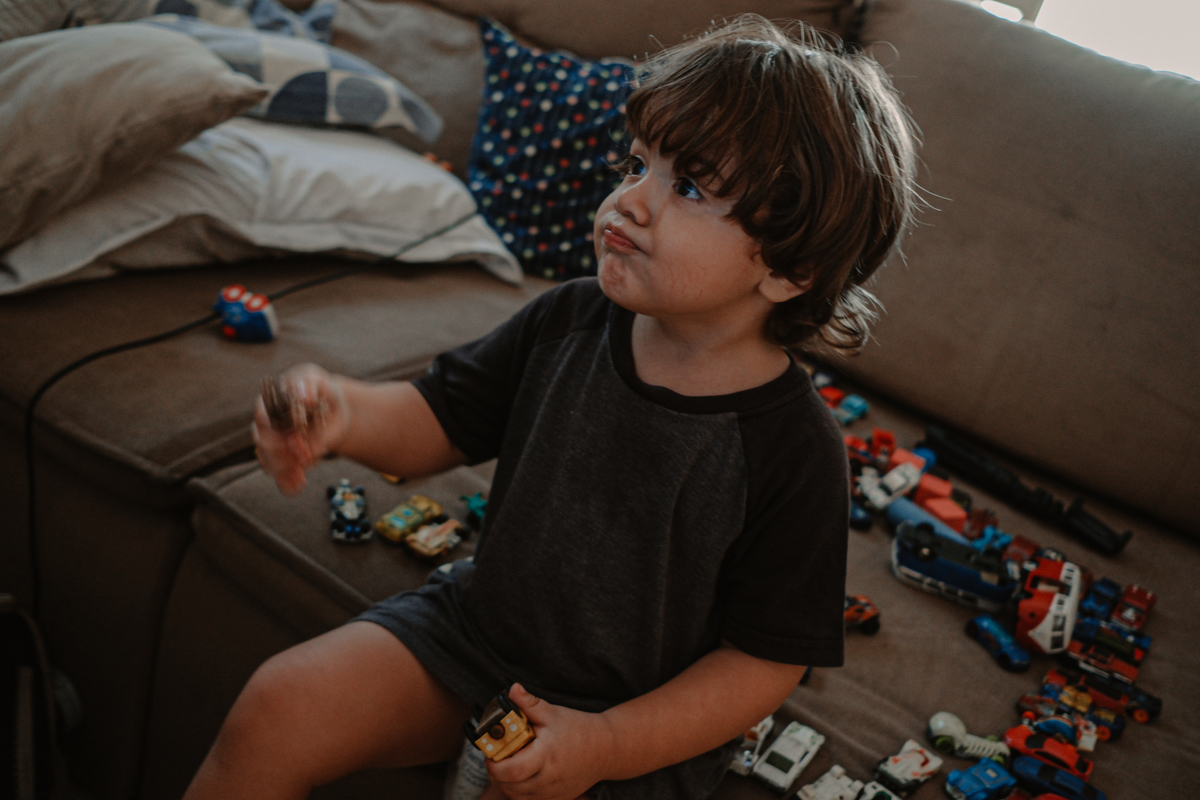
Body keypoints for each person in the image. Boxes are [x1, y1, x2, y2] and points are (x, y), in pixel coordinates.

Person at [183, 14, 919, 800]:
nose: (630, 201)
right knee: (280, 703)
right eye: (637, 164)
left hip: (631, 723)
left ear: (790, 270)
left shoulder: (796, 451)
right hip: (474, 635)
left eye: (689, 187)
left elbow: (764, 662)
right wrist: (341, 414)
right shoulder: (569, 318)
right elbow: (438, 419)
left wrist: (608, 744)